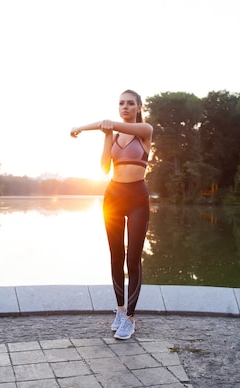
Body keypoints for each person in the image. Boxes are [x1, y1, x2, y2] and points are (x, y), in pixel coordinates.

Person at [70, 90, 153, 340]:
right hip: (113, 196)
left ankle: (130, 319)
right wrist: (106, 136)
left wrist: (82, 127)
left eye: (130, 103)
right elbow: (104, 167)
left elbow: (114, 122)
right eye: (121, 103)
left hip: (138, 197)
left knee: (133, 258)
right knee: (116, 255)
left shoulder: (145, 130)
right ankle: (119, 311)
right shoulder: (114, 134)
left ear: (139, 107)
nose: (125, 107)